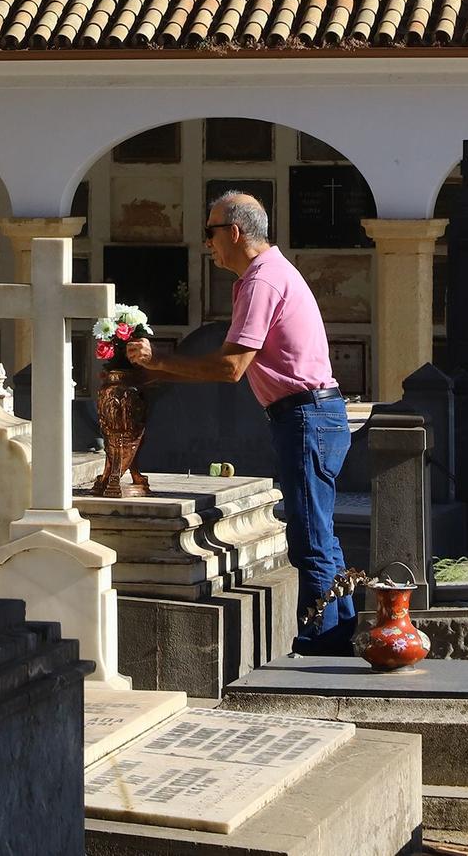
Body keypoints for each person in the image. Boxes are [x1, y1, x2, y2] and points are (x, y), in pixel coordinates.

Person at [125, 190, 356, 654]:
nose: (206, 244)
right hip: (314, 414)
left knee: (310, 537)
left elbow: (231, 367)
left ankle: (322, 648)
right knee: (319, 535)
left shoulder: (262, 280)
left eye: (209, 233)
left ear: (233, 232)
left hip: (307, 417)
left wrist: (160, 362)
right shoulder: (268, 274)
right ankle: (337, 636)